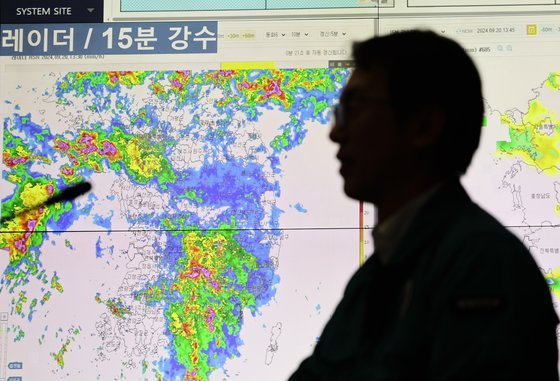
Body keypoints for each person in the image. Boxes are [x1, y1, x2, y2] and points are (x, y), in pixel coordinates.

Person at [289, 30, 559, 380]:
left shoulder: (484, 265)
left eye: (354, 108)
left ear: (423, 127)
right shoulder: (376, 277)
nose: (336, 133)